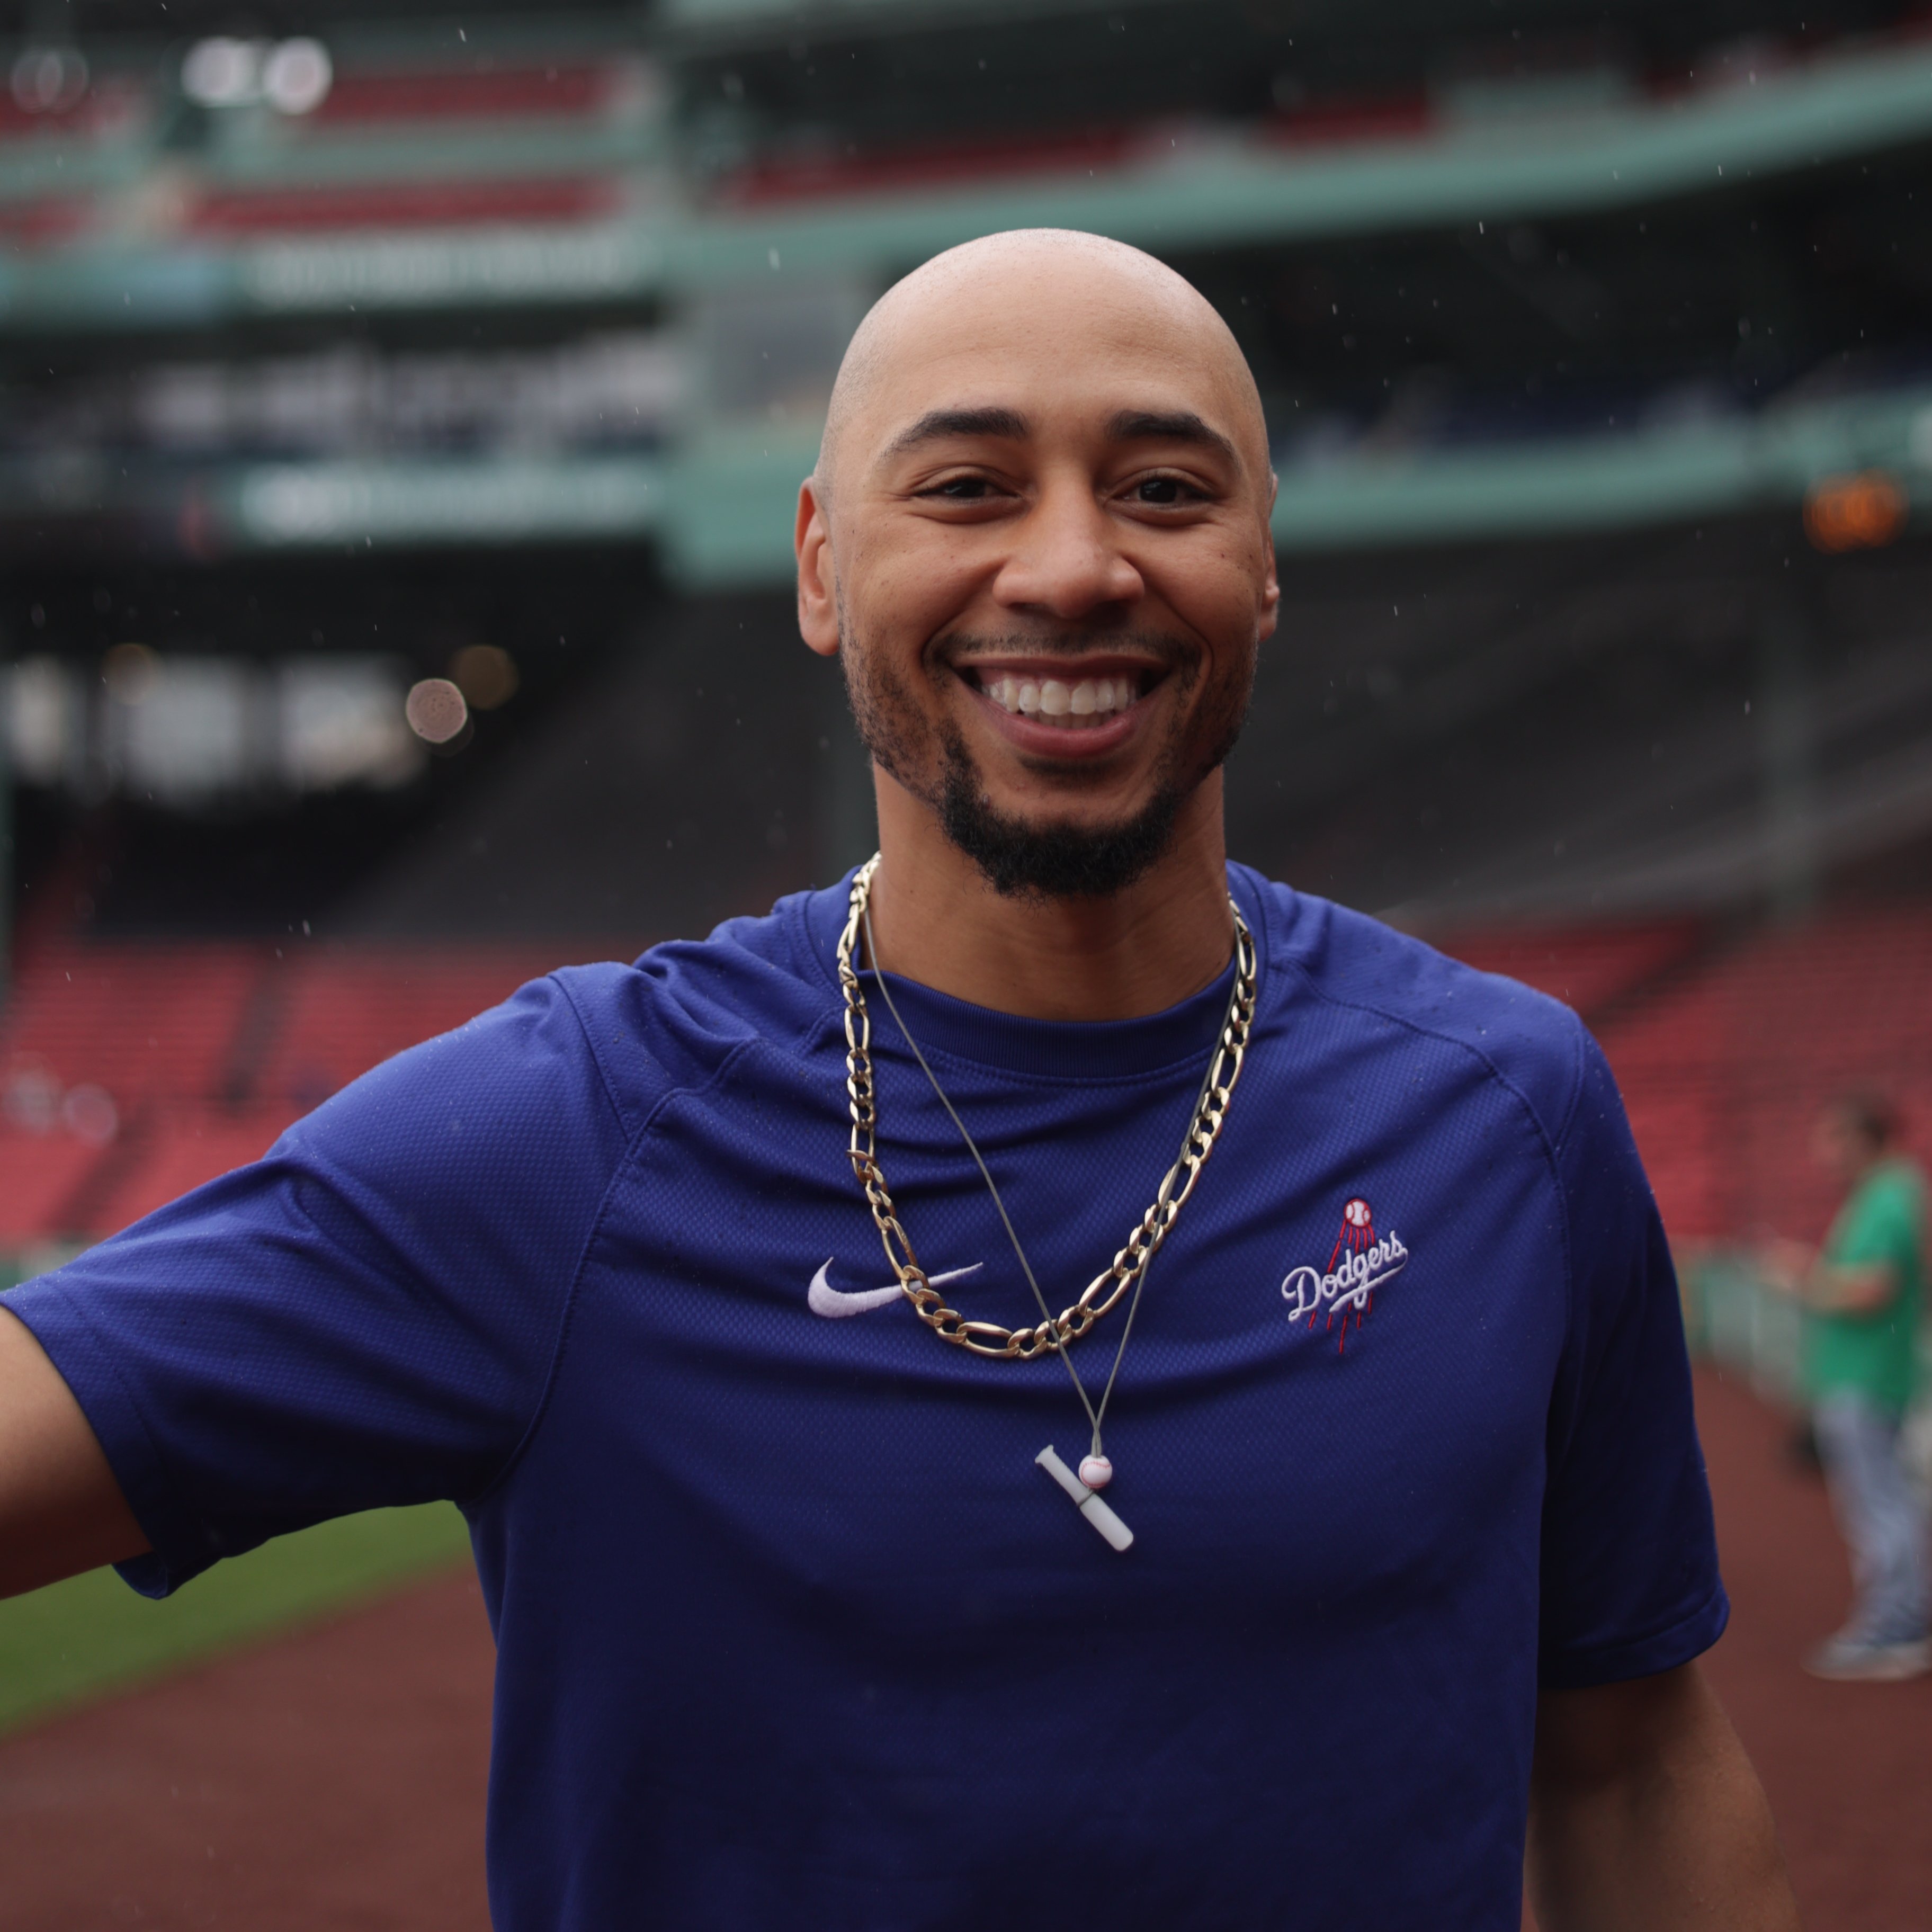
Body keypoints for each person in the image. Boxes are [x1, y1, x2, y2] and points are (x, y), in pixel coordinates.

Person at [0, 230, 1797, 1930]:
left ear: (1262, 560)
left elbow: (1629, 1760)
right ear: (817, 564)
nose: (1073, 563)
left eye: (1164, 486)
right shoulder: (561, 1136)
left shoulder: (1505, 1112)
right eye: (965, 485)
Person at [1762, 1092, 1928, 1680]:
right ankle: (1903, 1618)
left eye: (1833, 1138)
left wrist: (1804, 1276)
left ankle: (1896, 1625)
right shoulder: (1889, 1193)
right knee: (1884, 1500)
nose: (1823, 1153)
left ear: (1863, 1138)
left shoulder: (1888, 1196)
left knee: (1878, 1504)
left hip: (1867, 1375)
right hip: (1865, 1374)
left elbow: (1871, 1290)